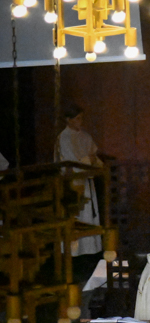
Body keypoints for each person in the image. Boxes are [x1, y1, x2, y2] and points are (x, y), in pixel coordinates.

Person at [55, 102, 103, 257]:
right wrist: (87, 161)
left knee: (88, 215)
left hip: (87, 181)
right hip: (73, 182)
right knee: (77, 216)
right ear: (68, 120)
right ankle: (74, 252)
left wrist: (95, 162)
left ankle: (90, 250)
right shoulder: (64, 138)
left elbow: (93, 155)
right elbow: (69, 162)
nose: (80, 122)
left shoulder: (85, 136)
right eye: (77, 118)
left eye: (81, 118)